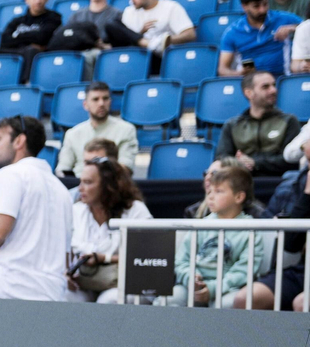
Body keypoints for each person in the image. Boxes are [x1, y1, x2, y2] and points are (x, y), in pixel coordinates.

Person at [0, 116, 73, 299]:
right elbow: (66, 257)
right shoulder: (62, 190)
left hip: (4, 290)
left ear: (19, 141)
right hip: (51, 297)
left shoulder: (11, 173)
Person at [173, 163, 273, 305]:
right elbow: (182, 260)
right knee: (171, 298)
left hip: (229, 289)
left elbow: (244, 270)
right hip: (193, 287)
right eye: (210, 191)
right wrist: (190, 278)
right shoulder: (200, 224)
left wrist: (214, 288)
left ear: (239, 197)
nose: (211, 197)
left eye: (219, 191)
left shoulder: (250, 230)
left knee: (226, 305)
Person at [68, 158, 150, 302]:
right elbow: (63, 250)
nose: (80, 188)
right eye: (81, 182)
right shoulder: (76, 210)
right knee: (64, 295)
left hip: (127, 283)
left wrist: (104, 258)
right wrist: (65, 274)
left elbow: (149, 258)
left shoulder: (136, 211)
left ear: (108, 185)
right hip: (85, 282)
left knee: (108, 301)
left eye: (88, 182)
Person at [217, 70, 301, 179]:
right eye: (265, 87)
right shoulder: (232, 125)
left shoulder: (289, 121)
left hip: (279, 181)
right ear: (249, 93)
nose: (273, 90)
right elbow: (221, 158)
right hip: (242, 182)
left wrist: (255, 163)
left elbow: (292, 160)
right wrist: (239, 162)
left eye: (274, 85)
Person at [56, 82, 138, 175]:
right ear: (85, 105)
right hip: (79, 184)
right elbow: (62, 169)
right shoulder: (73, 134)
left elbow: (126, 168)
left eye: (105, 98)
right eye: (95, 99)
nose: (101, 103)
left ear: (110, 102)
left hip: (111, 185)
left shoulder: (126, 130)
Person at [221, 0, 299, 75]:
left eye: (265, 4)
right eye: (256, 6)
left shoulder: (283, 18)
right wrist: (239, 73)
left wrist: (293, 28)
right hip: (252, 82)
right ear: (244, 7)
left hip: (283, 79)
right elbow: (223, 69)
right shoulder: (232, 32)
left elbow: (307, 27)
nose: (262, 10)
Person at [123, 0, 197, 59]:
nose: (132, 0)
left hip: (160, 56)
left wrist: (165, 41)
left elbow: (190, 34)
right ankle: (152, 44)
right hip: (135, 55)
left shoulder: (171, 7)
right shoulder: (128, 11)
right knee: (112, 25)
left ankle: (154, 44)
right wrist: (140, 33)